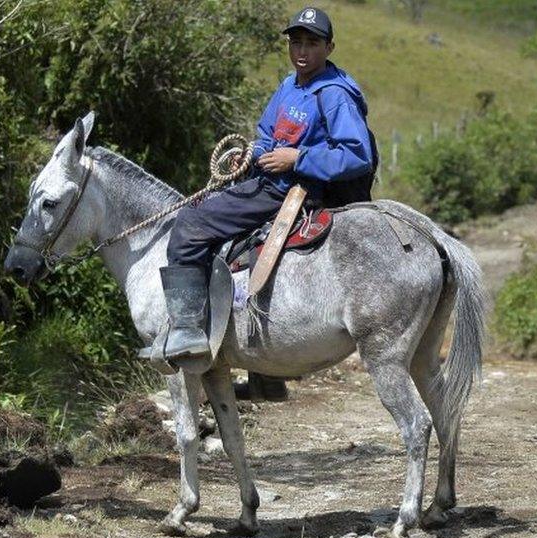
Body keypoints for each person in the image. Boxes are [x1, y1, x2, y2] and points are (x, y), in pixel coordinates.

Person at [160, 6, 377, 396]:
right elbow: (266, 131)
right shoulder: (290, 85)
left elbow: (357, 153)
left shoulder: (333, 94)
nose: (302, 50)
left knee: (191, 224)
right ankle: (264, 374)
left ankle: (187, 334)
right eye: (296, 41)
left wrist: (298, 158)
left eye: (312, 43)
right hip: (269, 178)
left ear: (330, 46)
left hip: (291, 189)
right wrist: (254, 153)